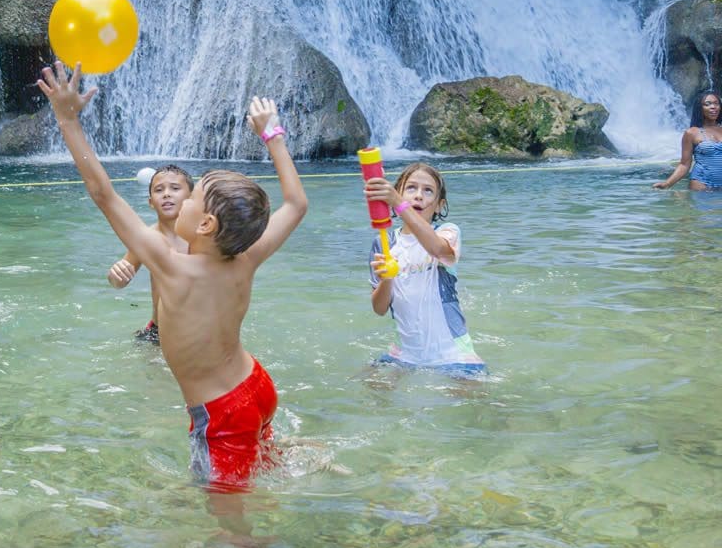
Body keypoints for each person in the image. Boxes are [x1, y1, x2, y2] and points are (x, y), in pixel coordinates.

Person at [37, 61, 308, 492]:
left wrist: (66, 119)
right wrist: (272, 134)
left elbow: (102, 193)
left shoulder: (171, 266)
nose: (179, 203)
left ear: (205, 226)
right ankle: (296, 457)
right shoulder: (246, 257)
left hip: (221, 412)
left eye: (192, 198)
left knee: (226, 513)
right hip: (257, 386)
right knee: (261, 454)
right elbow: (295, 205)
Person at [364, 163, 486, 378]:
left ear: (440, 205)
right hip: (406, 353)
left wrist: (400, 204)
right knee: (370, 390)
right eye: (411, 188)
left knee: (476, 405)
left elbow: (438, 250)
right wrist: (387, 280)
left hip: (452, 351)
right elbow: (379, 308)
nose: (418, 196)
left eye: (428, 190)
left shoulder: (447, 232)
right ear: (397, 195)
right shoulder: (384, 243)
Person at [106, 164, 194, 344]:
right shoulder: (147, 239)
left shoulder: (203, 238)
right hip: (158, 331)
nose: (166, 194)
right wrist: (116, 274)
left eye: (175, 188)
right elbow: (118, 283)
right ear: (150, 202)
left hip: (197, 330)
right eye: (159, 190)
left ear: (191, 198)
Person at [653, 90, 722, 191]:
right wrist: (667, 184)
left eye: (716, 103)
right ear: (700, 108)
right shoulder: (691, 133)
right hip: (702, 184)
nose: (713, 107)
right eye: (707, 104)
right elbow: (684, 165)